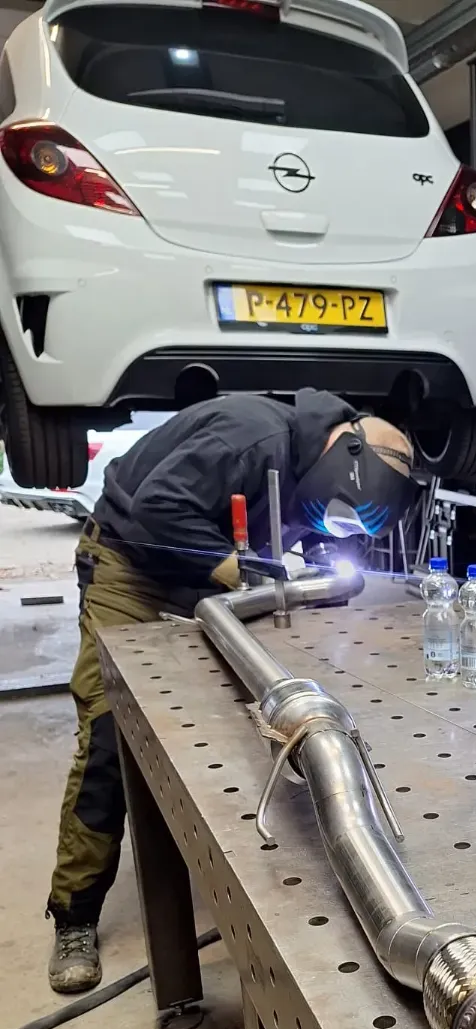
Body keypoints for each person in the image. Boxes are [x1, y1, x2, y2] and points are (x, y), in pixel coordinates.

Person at [46, 388, 415, 995]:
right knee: (110, 737)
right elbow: (157, 509)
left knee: (247, 715)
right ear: (344, 452)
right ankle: (74, 915)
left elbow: (326, 537)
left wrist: (322, 564)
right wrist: (236, 570)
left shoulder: (318, 467)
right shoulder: (251, 436)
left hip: (212, 582)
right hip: (131, 571)